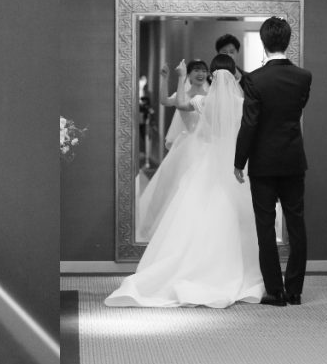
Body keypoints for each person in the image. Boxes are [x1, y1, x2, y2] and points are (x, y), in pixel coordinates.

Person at [106, 54, 264, 308]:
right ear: (233, 76)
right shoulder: (241, 103)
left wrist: (179, 77)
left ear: (212, 75)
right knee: (234, 214)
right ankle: (232, 267)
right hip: (234, 163)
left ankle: (196, 264)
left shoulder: (204, 101)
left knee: (197, 211)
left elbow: (179, 103)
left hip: (208, 162)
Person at [234, 17, 311, 306]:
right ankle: (295, 291)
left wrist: (239, 161)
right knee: (296, 224)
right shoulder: (304, 77)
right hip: (293, 159)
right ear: (287, 41)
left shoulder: (254, 79)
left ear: (263, 42)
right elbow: (296, 110)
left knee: (265, 226)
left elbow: (250, 123)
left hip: (263, 162)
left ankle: (275, 291)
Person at [134, 59, 210, 244]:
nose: (200, 74)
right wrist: (164, 78)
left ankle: (201, 229)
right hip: (187, 147)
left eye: (203, 70)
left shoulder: (211, 94)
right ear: (188, 74)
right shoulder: (183, 94)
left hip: (208, 146)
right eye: (196, 70)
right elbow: (164, 101)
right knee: (178, 187)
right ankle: (177, 230)